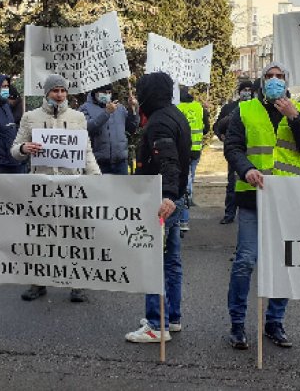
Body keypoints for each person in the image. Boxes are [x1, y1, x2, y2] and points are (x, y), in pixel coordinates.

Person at [223, 63, 300, 350]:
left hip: (287, 199)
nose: (275, 80)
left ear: (287, 81)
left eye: (280, 77)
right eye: (270, 76)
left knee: (283, 262)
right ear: (262, 81)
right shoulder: (245, 110)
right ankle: (238, 324)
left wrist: (294, 117)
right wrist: (246, 170)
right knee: (245, 261)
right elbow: (233, 147)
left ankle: (275, 322)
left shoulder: (298, 110)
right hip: (252, 197)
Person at [11, 74, 101, 303]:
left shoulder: (78, 117)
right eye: (55, 91)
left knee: (74, 235)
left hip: (71, 185)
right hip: (41, 186)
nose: (59, 95)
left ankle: (77, 283)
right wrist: (24, 148)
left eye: (63, 90)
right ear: (47, 93)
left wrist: (96, 177)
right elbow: (14, 150)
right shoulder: (30, 117)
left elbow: (86, 150)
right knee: (40, 236)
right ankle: (38, 283)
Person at [123, 71, 191, 343]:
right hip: (174, 199)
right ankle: (171, 317)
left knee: (154, 262)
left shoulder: (159, 123)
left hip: (162, 202)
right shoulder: (175, 114)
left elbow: (169, 162)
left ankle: (156, 324)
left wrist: (168, 196)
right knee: (172, 262)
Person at [213, 80, 255, 224]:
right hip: (235, 151)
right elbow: (217, 125)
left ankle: (249, 212)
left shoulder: (256, 107)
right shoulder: (230, 108)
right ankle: (229, 213)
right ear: (239, 92)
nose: (247, 93)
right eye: (244, 90)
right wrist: (222, 136)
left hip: (253, 151)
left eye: (249, 90)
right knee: (232, 183)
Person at [79, 83, 139, 175]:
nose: (107, 95)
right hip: (98, 163)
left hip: (120, 163)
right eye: (104, 92)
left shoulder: (119, 108)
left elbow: (131, 127)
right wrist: (106, 113)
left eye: (109, 92)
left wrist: (133, 110)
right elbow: (87, 128)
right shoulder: (85, 108)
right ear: (95, 92)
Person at [176, 86, 209, 228]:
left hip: (182, 150)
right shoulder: (199, 107)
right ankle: (188, 199)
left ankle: (184, 215)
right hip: (196, 149)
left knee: (184, 180)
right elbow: (206, 128)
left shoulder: (177, 108)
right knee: (190, 177)